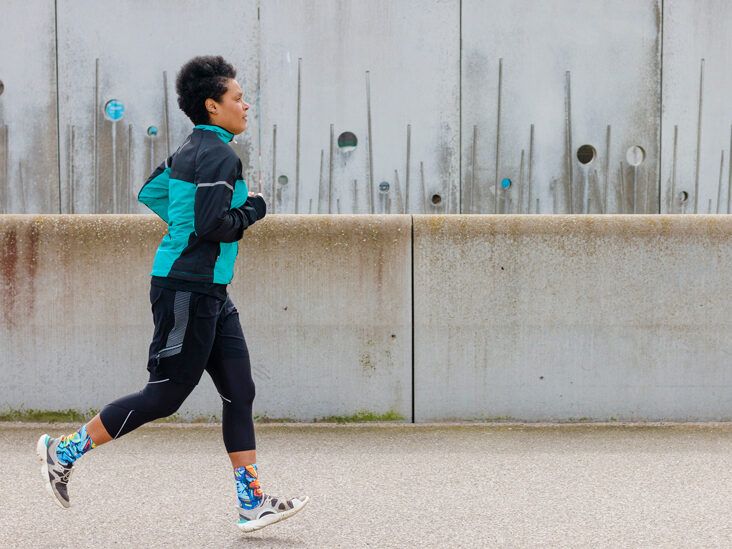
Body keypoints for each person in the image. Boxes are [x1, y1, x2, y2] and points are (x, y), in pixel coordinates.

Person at [35, 55, 309, 533]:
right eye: (237, 98)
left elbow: (151, 192)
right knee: (165, 396)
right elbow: (212, 224)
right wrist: (254, 209)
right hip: (187, 289)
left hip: (210, 291)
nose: (247, 105)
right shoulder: (221, 155)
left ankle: (252, 505)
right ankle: (62, 452)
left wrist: (188, 227)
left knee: (239, 391)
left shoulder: (190, 149)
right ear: (212, 105)